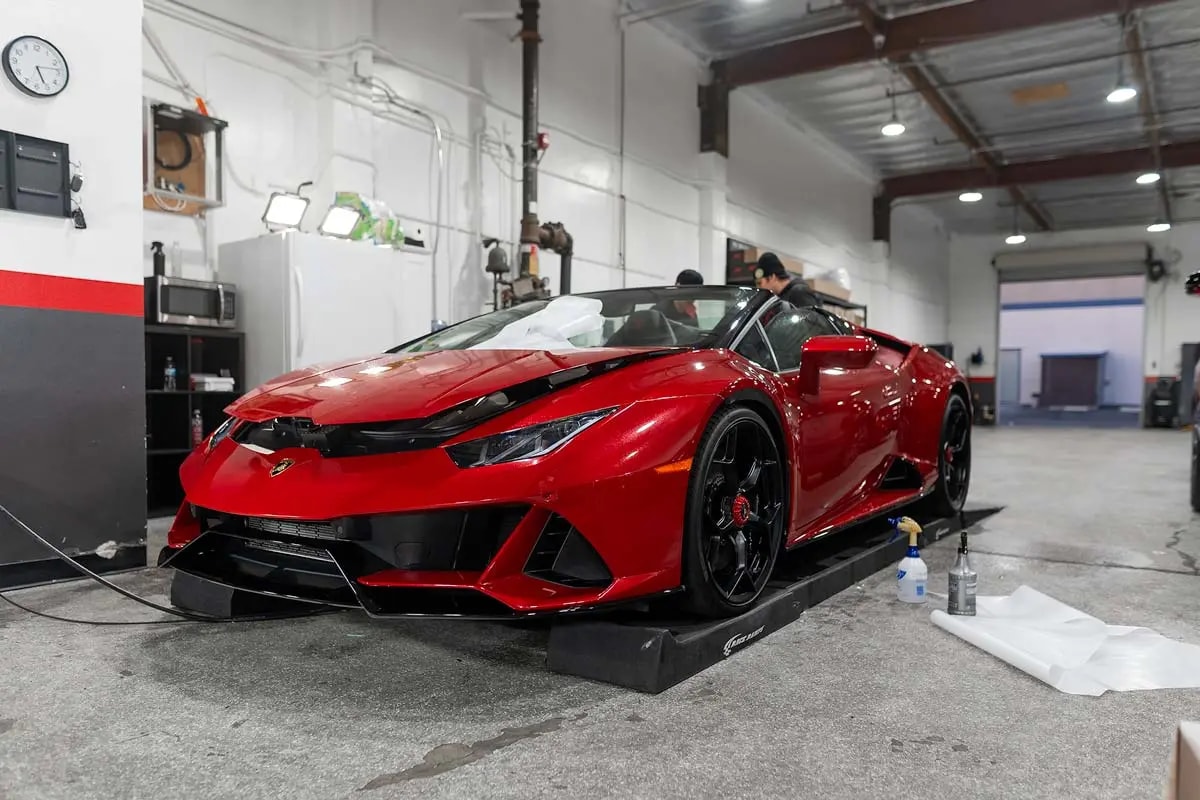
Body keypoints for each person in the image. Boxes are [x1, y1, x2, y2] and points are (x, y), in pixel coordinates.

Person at [754, 252, 820, 308]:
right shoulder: (779, 298)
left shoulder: (799, 293)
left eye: (760, 283)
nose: (759, 288)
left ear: (772, 277)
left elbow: (813, 321)